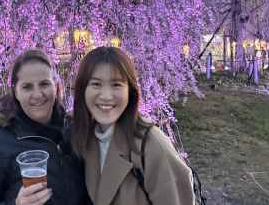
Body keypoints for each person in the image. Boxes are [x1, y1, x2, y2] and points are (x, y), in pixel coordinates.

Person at [0, 49, 89, 205]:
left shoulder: (75, 132)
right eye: (27, 87)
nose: (38, 94)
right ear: (16, 92)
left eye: (44, 84)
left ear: (57, 87)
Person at [71, 46, 194, 205]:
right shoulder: (86, 138)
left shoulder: (152, 145)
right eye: (96, 84)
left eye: (116, 85)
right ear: (83, 90)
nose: (106, 96)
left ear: (130, 91)